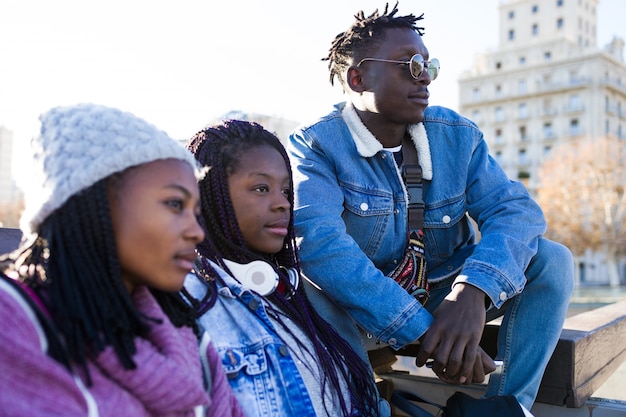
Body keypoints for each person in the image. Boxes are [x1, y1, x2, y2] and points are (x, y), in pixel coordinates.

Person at [286, 2, 574, 411]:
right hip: (358, 314)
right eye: (408, 65)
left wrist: (472, 291)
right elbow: (318, 244)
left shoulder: (455, 134)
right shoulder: (315, 145)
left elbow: (516, 212)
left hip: (440, 293)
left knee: (552, 260)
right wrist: (422, 331)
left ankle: (506, 407)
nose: (424, 79)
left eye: (428, 66)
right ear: (358, 77)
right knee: (313, 291)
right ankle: (366, 405)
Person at [0, 103, 243, 416]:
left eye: (196, 213)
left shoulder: (188, 337)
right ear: (90, 203)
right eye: (174, 203)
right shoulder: (14, 319)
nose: (197, 232)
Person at [183, 119, 386, 416]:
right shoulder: (184, 302)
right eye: (262, 188)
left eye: (287, 192)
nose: (283, 204)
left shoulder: (302, 297)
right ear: (209, 196)